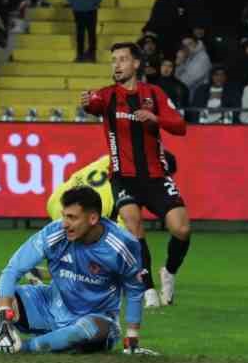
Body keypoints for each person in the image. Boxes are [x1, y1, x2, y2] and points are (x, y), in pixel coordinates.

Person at [0, 185, 151, 355]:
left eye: (72, 217)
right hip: (47, 305)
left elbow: (134, 290)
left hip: (95, 318)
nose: (65, 223)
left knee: (86, 329)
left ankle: (21, 348)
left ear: (93, 218)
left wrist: (132, 338)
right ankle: (7, 339)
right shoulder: (55, 233)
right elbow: (13, 270)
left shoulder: (121, 244)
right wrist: (4, 314)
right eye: (64, 216)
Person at [80, 42, 191, 308]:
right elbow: (93, 104)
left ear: (136, 64)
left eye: (122, 59)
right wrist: (87, 102)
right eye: (113, 60)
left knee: (182, 229)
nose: (116, 65)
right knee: (133, 225)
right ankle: (148, 288)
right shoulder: (106, 96)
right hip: (123, 175)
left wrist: (155, 118)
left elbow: (180, 126)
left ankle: (170, 272)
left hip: (156, 176)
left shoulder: (154, 93)